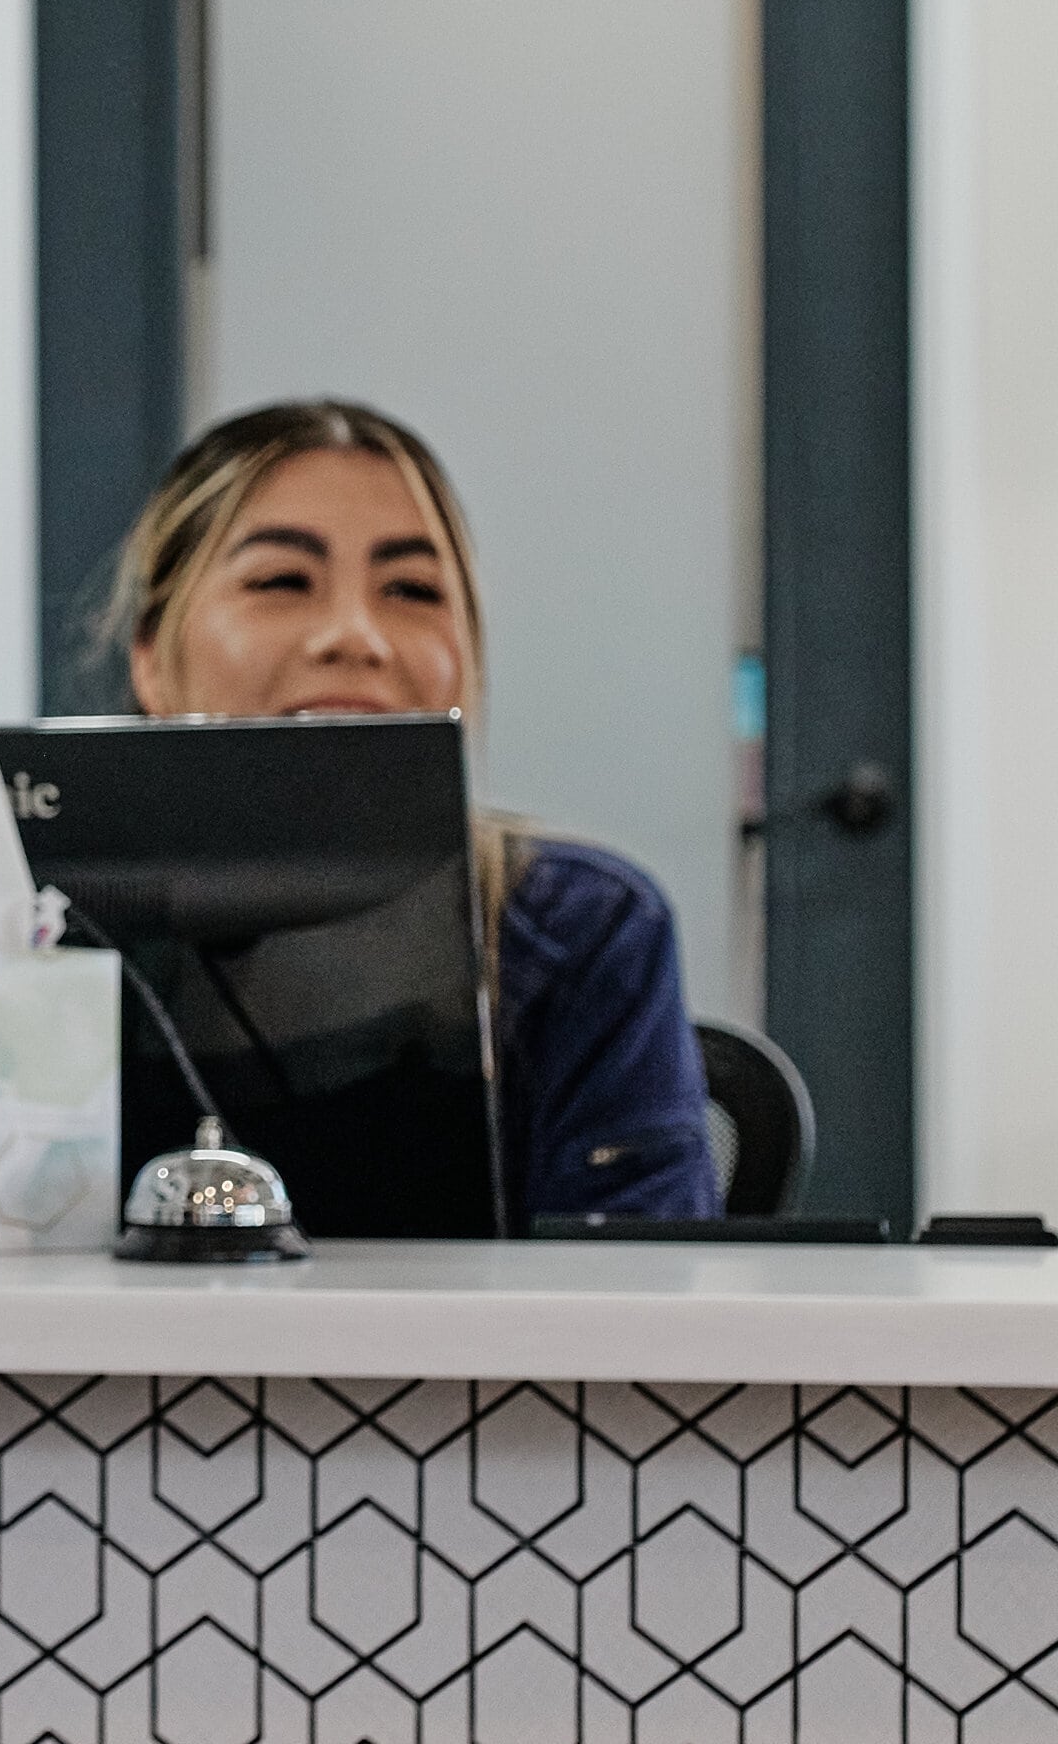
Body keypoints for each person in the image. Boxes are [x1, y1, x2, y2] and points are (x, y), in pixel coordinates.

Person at [97, 395, 718, 1225]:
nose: (356, 636)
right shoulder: (33, 933)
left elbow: (636, 1287)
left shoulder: (583, 930)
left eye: (413, 590)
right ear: (151, 657)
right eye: (282, 581)